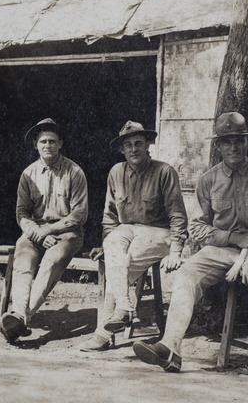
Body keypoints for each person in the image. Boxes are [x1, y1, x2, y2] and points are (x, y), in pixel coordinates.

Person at [133, 112, 248, 382]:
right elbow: (197, 228)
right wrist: (233, 238)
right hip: (222, 249)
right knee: (187, 272)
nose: (232, 147)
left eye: (238, 141)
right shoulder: (208, 181)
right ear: (219, 146)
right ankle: (170, 348)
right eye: (226, 142)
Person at [77, 120, 188, 351]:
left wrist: (176, 249)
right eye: (128, 145)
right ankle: (125, 309)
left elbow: (177, 214)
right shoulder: (116, 172)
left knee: (119, 266)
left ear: (148, 145)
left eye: (139, 143)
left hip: (159, 232)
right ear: (122, 149)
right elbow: (109, 214)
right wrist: (107, 243)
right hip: (127, 230)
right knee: (115, 248)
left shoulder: (164, 171)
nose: (134, 149)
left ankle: (105, 332)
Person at [0, 118, 88, 343]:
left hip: (68, 233)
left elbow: (79, 215)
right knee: (23, 260)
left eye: (52, 141)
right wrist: (37, 232)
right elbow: (21, 213)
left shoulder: (74, 172)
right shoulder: (28, 174)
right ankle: (18, 315)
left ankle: (20, 318)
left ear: (60, 144)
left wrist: (49, 231)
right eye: (43, 141)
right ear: (36, 145)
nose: (47, 145)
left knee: (51, 261)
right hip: (35, 233)